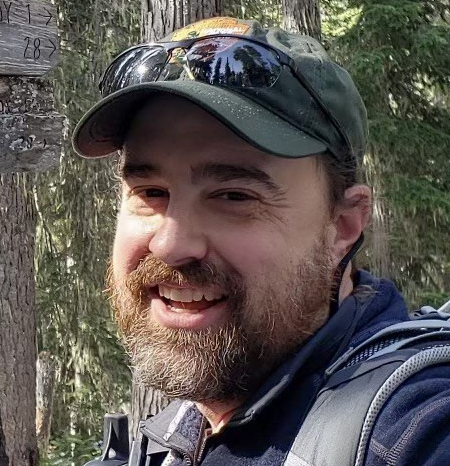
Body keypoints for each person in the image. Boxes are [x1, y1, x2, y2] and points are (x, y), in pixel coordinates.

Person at [73, 17, 450, 466]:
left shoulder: (410, 428)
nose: (170, 245)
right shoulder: (184, 428)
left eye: (234, 196)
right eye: (150, 193)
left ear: (343, 226)